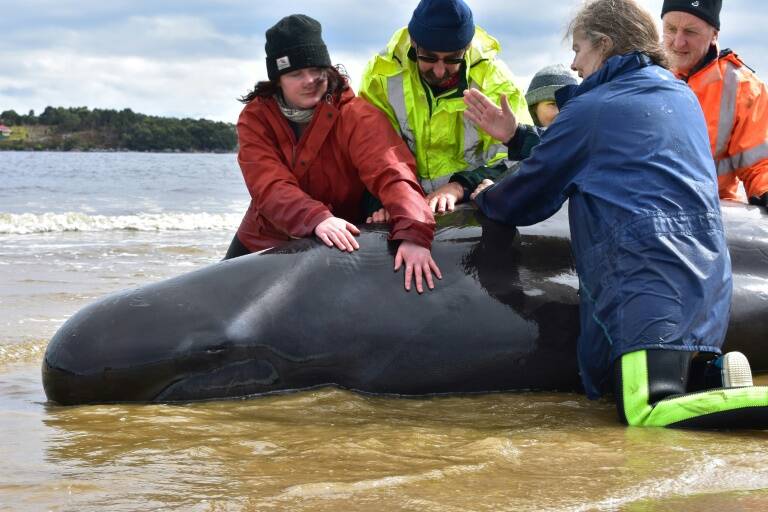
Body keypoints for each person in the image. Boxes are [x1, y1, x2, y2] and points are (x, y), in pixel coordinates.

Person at [466, 0, 768, 428]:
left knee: (648, 411)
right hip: (706, 286)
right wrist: (519, 137)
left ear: (604, 46)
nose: (572, 64)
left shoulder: (593, 108)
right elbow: (604, 152)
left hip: (648, 286)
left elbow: (526, 196)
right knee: (685, 407)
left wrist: (486, 194)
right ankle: (719, 377)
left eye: (578, 49)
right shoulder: (677, 95)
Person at [226, 14, 441, 293]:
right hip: (263, 237)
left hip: (333, 239)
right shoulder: (255, 118)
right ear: (277, 80)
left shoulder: (355, 114)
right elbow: (268, 185)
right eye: (295, 74)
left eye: (317, 69)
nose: (310, 80)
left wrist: (415, 233)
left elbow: (393, 170)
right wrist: (316, 217)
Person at [359, 0, 532, 216]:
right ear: (414, 43)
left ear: (467, 47)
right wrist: (386, 200)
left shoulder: (497, 83)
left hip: (471, 206)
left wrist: (460, 186)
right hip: (403, 204)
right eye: (429, 58)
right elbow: (374, 153)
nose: (440, 71)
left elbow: (515, 159)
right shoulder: (380, 78)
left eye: (452, 59)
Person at [661, 0, 768, 207]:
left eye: (690, 32)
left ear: (714, 35)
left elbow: (760, 165)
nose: (678, 42)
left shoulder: (743, 89)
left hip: (712, 216)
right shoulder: (637, 74)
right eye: (671, 29)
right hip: (643, 211)